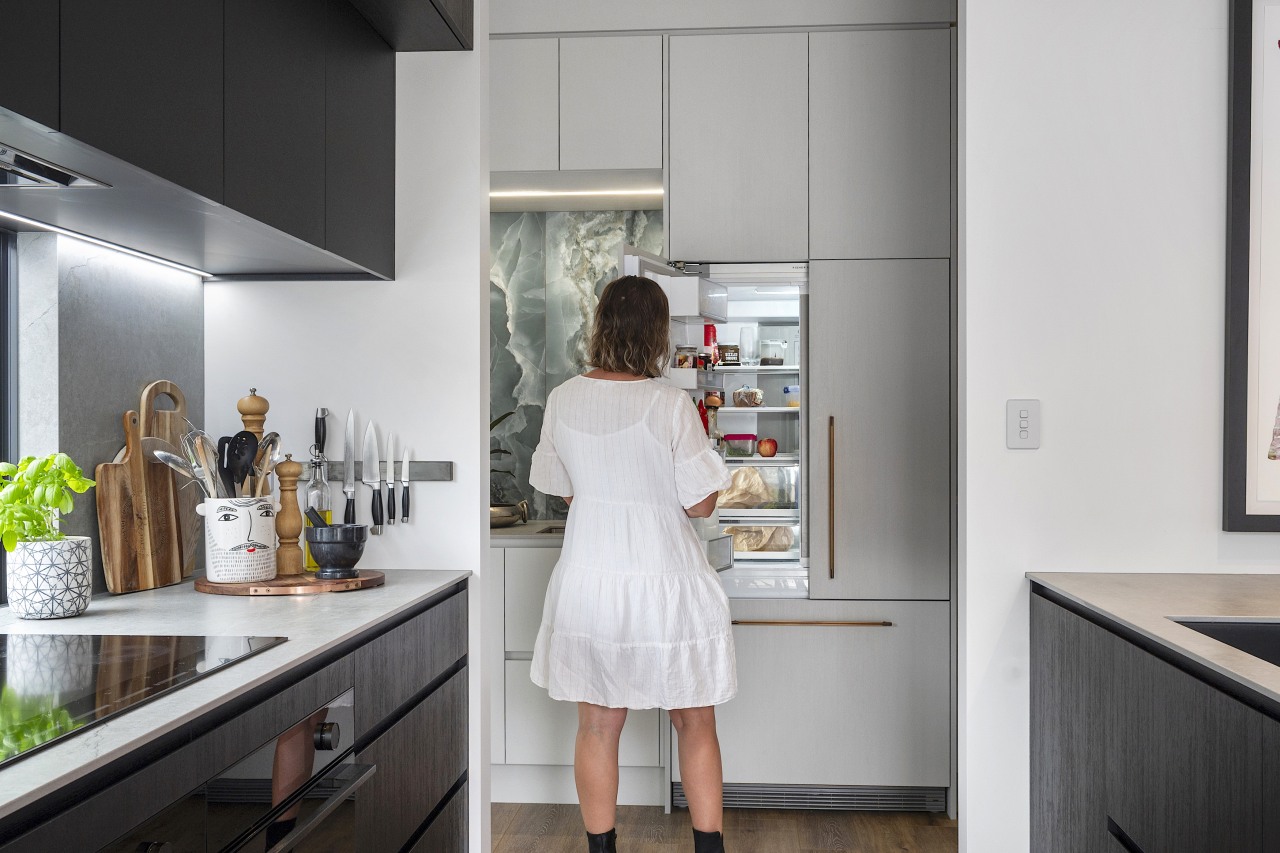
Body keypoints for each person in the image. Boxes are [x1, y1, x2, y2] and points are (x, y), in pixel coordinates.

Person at [529, 274, 736, 853]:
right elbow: (699, 503)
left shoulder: (564, 398)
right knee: (694, 721)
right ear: (657, 334)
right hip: (666, 580)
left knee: (597, 725)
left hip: (592, 581)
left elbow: (565, 489)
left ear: (601, 326)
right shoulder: (670, 404)